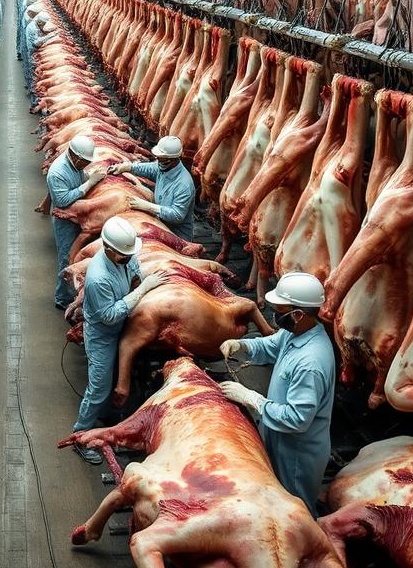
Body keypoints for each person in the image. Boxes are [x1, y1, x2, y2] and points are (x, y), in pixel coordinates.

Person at [218, 271, 335, 515]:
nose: (277, 316)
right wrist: (243, 345)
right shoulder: (296, 332)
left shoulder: (311, 362)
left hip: (296, 454)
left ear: (298, 314)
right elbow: (271, 345)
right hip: (277, 438)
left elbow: (297, 419)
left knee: (296, 513)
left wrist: (252, 398)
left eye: (281, 312)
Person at [71, 216, 166, 463]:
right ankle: (80, 435)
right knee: (99, 387)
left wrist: (146, 283)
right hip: (102, 333)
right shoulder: (98, 277)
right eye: (123, 254)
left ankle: (106, 416)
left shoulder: (125, 255)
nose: (128, 257)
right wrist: (142, 291)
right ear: (108, 249)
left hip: (123, 323)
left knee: (112, 379)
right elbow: (110, 316)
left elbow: (135, 272)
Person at [47, 135, 106, 309]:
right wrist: (88, 184)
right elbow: (62, 200)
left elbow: (80, 175)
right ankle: (63, 298)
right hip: (65, 221)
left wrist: (88, 176)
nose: (86, 165)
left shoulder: (74, 164)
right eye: (84, 162)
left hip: (77, 216)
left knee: (76, 255)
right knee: (67, 257)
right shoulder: (57, 172)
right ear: (74, 156)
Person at [107, 134, 196, 241]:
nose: (159, 161)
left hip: (177, 234)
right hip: (160, 222)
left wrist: (149, 207)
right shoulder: (163, 167)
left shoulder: (184, 184)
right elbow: (148, 168)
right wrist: (128, 167)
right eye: (158, 158)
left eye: (162, 159)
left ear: (174, 159)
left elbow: (177, 215)